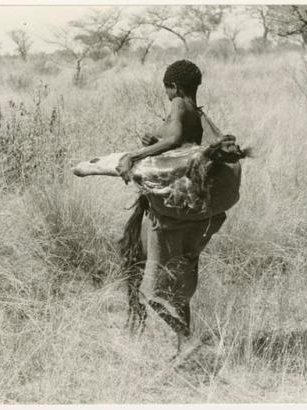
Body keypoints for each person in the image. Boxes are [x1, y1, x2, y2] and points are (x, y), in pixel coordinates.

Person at [116, 60, 234, 360]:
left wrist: (135, 154)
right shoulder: (198, 111)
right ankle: (184, 349)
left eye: (167, 88)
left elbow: (174, 138)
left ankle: (187, 339)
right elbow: (183, 143)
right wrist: (155, 138)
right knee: (180, 277)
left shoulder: (179, 104)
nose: (167, 93)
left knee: (150, 292)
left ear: (176, 87)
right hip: (193, 212)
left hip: (169, 215)